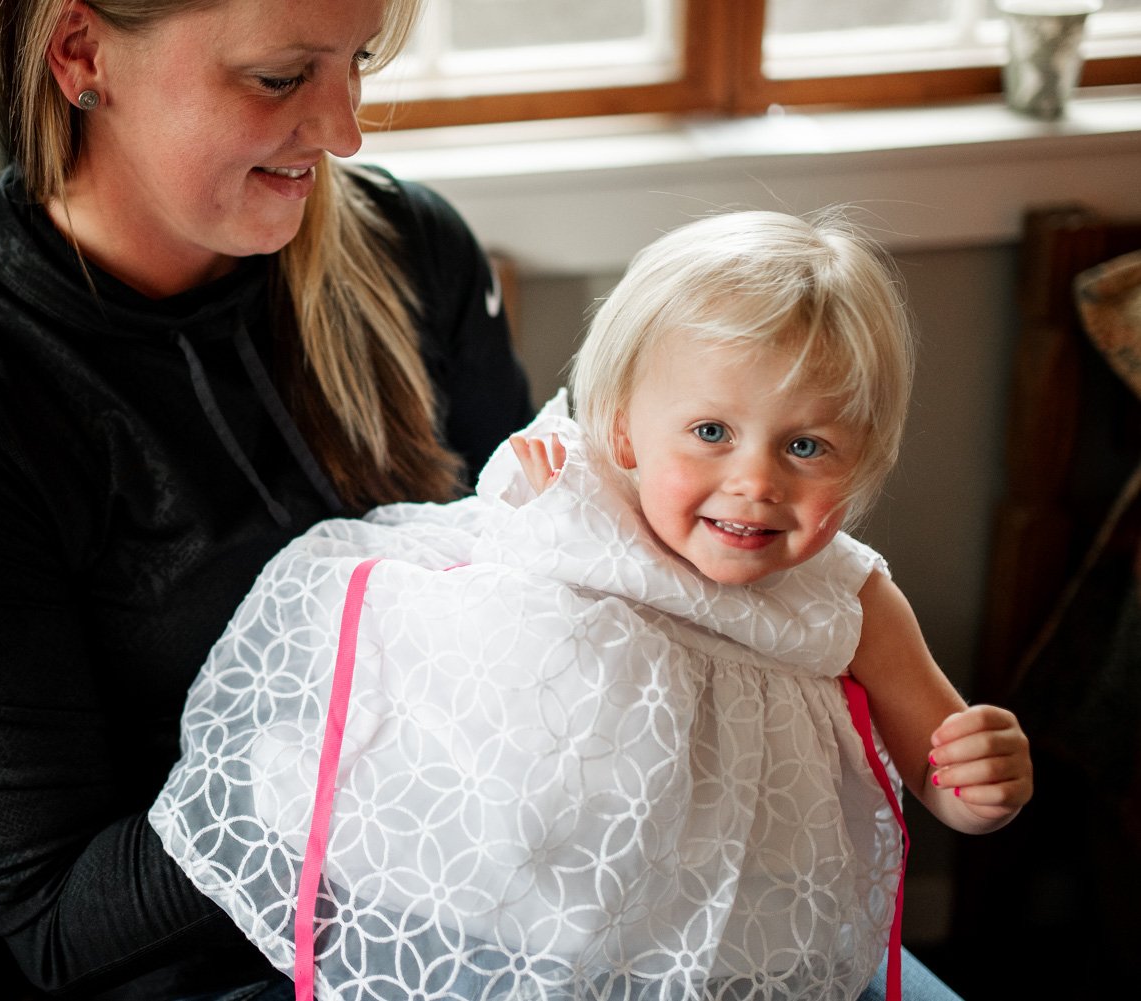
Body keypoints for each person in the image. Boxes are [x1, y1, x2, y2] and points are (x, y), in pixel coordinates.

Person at [0, 1, 529, 999]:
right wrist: (349, 766)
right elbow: (57, 925)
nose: (344, 129)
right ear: (83, 54)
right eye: (278, 77)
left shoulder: (412, 253)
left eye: (359, 61)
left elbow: (523, 597)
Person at [149, 210, 1034, 1000]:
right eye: (712, 433)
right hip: (537, 907)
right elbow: (471, 635)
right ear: (622, 432)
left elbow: (935, 759)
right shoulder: (576, 500)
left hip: (739, 938)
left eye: (807, 445)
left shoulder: (851, 595)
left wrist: (977, 786)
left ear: (864, 458)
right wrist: (521, 517)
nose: (756, 481)